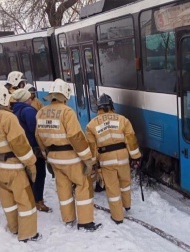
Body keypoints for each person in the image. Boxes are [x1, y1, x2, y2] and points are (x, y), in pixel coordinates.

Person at [0, 84, 40, 242]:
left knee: (8, 201)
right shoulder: (7, 117)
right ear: (3, 98)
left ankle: (14, 228)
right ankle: (28, 234)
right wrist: (31, 163)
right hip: (14, 168)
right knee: (25, 201)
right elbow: (19, 144)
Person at [35, 78, 102, 231]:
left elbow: (38, 137)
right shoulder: (67, 112)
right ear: (65, 95)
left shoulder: (40, 113)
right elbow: (76, 137)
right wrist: (87, 159)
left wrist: (47, 156)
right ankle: (85, 222)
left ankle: (68, 218)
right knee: (82, 185)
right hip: (71, 158)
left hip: (54, 158)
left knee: (63, 186)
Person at [86, 93, 141, 224]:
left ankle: (117, 217)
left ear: (98, 107)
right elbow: (131, 140)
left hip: (106, 159)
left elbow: (92, 147)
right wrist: (136, 157)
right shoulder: (123, 120)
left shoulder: (91, 125)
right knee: (125, 183)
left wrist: (93, 163)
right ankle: (127, 205)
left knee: (112, 188)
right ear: (111, 106)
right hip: (122, 156)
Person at [11, 88, 52, 213]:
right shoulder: (28, 111)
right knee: (40, 174)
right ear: (25, 99)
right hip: (34, 149)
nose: (31, 99)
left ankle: (29, 199)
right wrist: (42, 147)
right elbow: (35, 131)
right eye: (29, 98)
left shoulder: (14, 111)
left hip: (22, 149)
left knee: (29, 174)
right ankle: (38, 201)